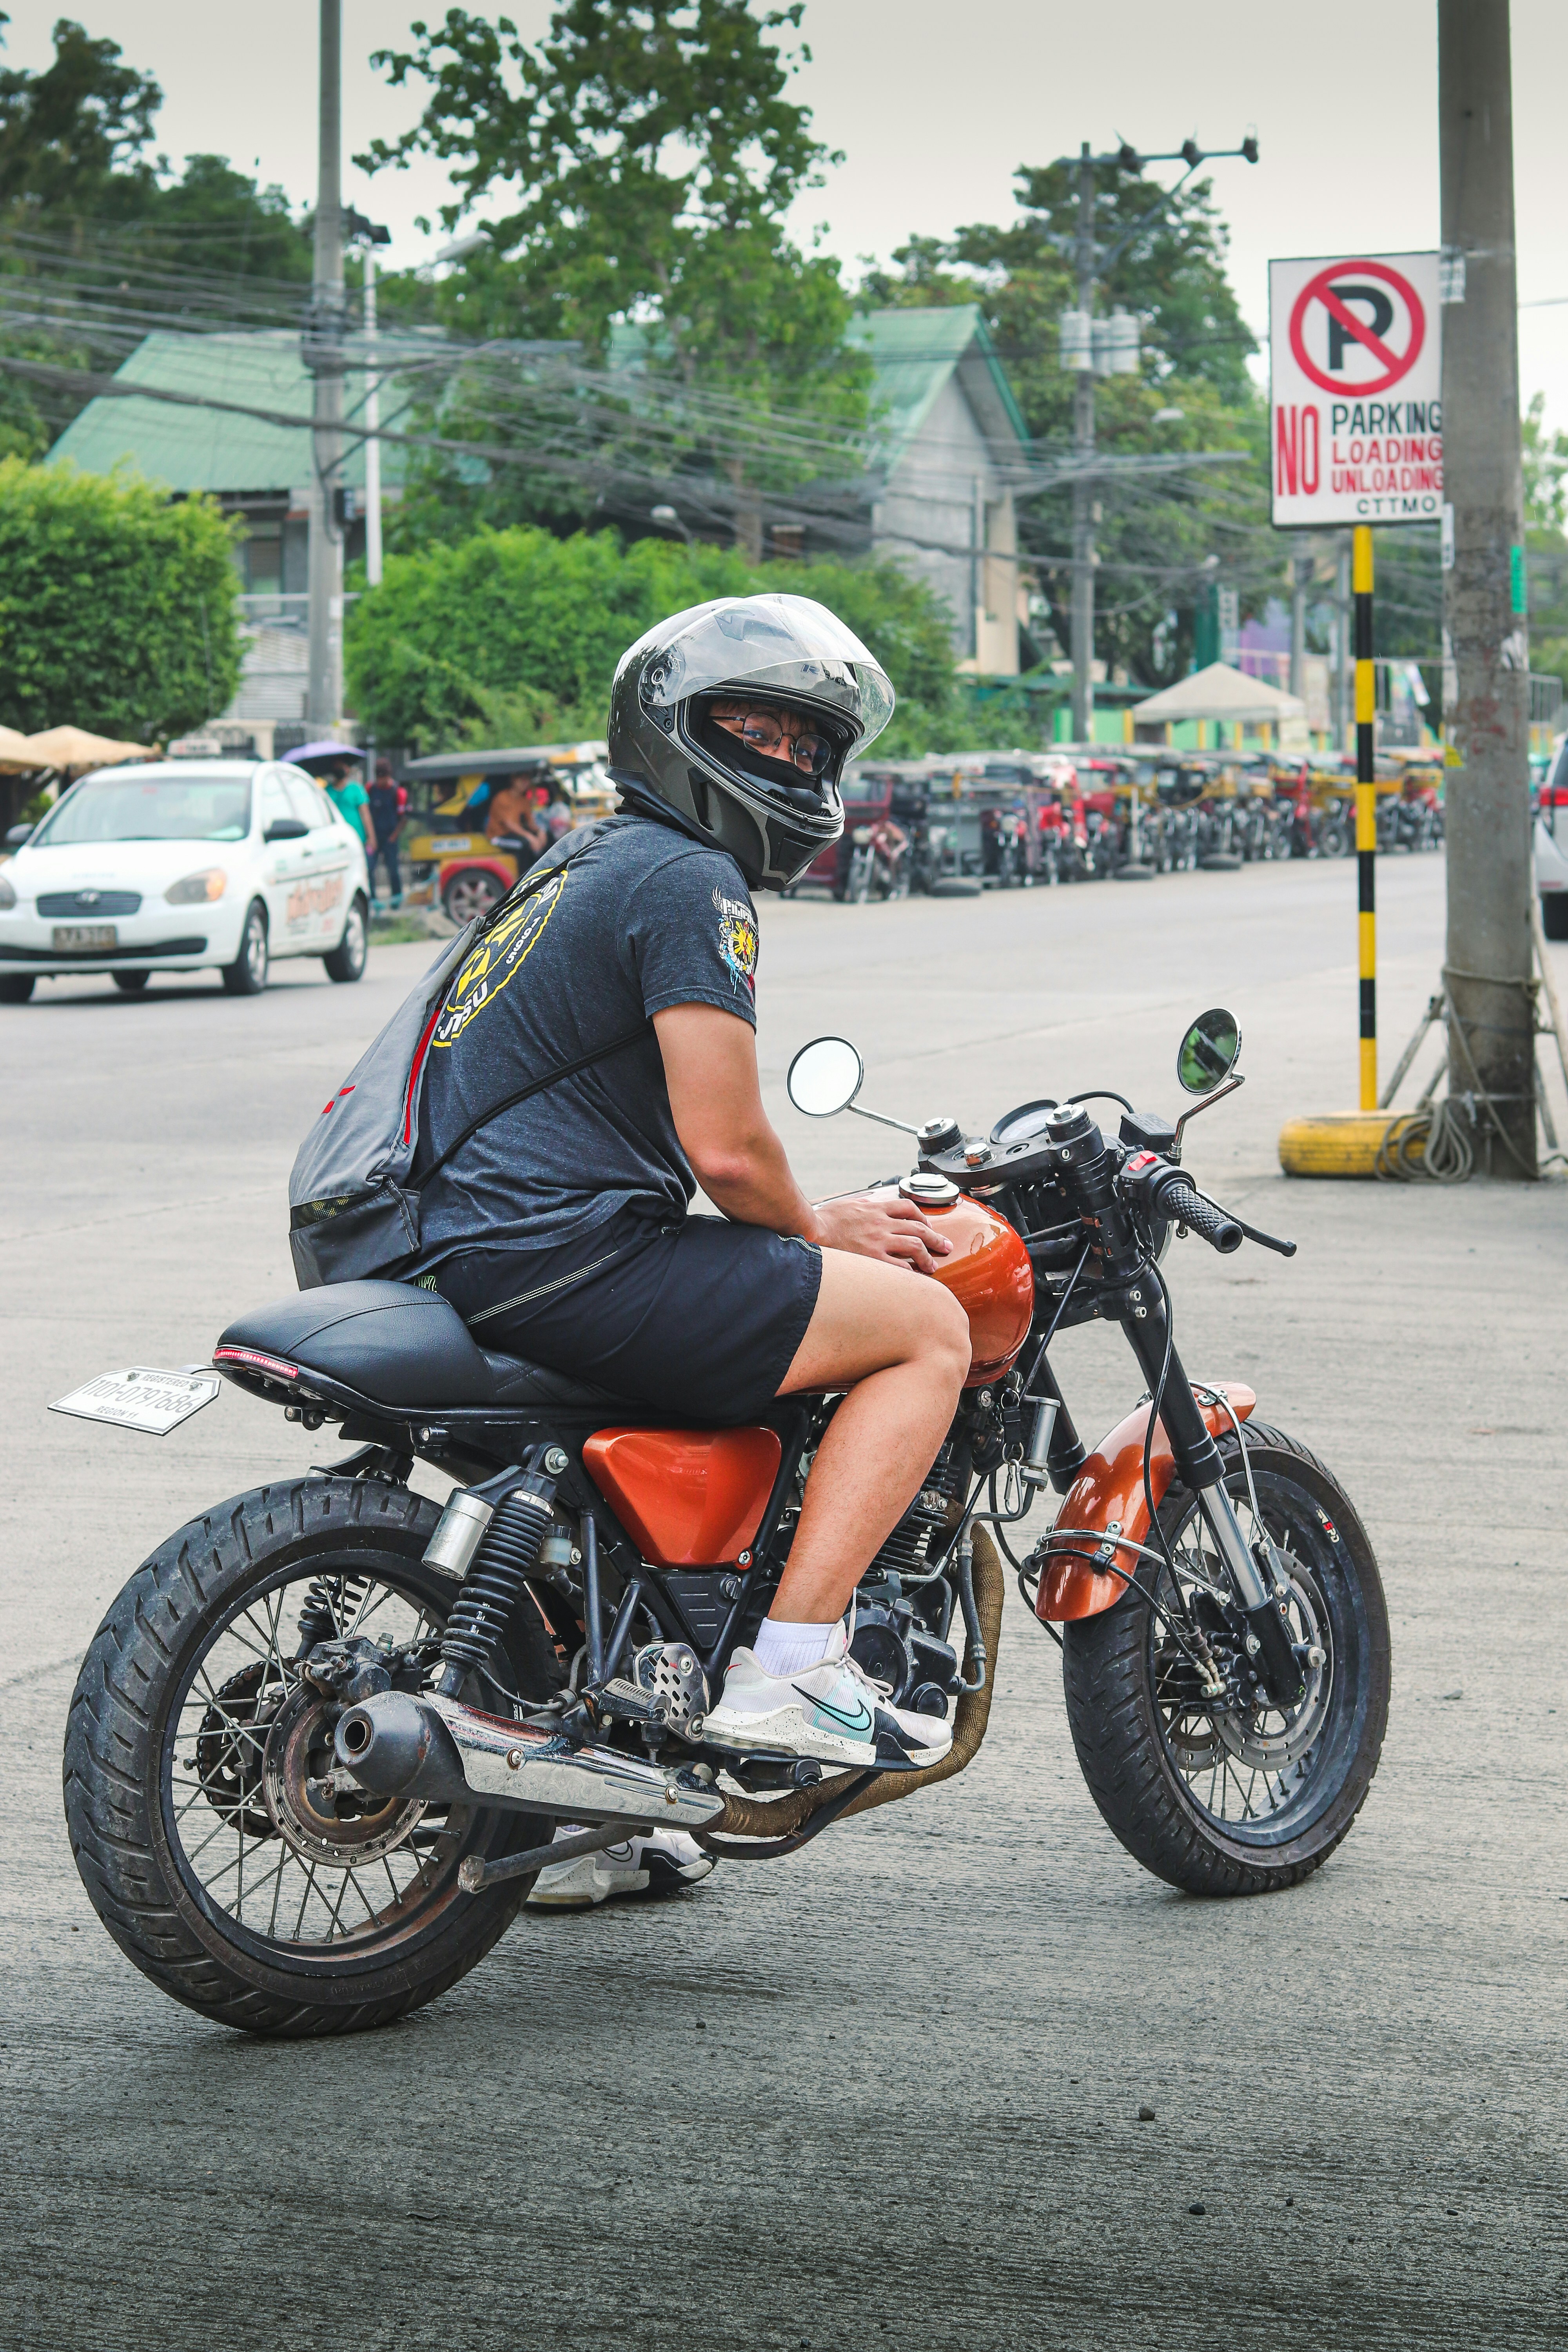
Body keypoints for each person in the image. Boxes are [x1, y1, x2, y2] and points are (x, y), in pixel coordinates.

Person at [410, 593, 970, 1791]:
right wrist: (820, 1221)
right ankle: (796, 1668)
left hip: (474, 1246)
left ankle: (584, 1829)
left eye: (806, 740)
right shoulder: (691, 880)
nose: (785, 757)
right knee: (927, 1324)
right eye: (751, 727)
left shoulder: (574, 863)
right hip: (574, 1256)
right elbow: (724, 1146)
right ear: (673, 729)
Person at [323, 755, 376, 861]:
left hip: (357, 839)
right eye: (338, 767)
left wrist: (371, 837)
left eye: (343, 767)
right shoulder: (327, 792)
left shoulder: (356, 789)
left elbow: (365, 814)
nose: (341, 769)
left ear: (348, 769)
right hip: (336, 841)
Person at [366, 760, 404, 905]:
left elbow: (403, 818)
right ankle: (373, 901)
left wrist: (394, 837)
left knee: (393, 870)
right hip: (374, 838)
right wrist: (371, 837)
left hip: (391, 838)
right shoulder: (370, 789)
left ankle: (397, 901)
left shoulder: (398, 792)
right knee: (370, 869)